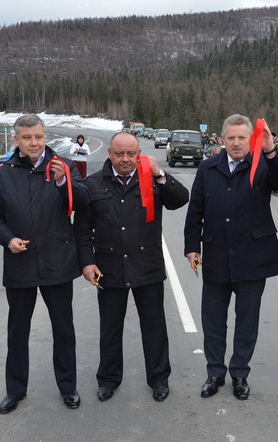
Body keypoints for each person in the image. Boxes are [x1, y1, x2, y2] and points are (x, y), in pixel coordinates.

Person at [0, 114, 89, 414]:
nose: (34, 143)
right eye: (27, 138)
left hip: (58, 261)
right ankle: (15, 390)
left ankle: (68, 387)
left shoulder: (64, 167)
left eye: (39, 137)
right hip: (20, 264)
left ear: (46, 137)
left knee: (63, 330)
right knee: (17, 331)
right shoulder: (4, 175)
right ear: (16, 140)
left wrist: (61, 182)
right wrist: (8, 239)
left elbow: (81, 201)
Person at [184, 114, 278, 401]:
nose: (235, 143)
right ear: (222, 140)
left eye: (241, 138)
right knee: (213, 320)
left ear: (250, 139)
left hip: (252, 257)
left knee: (247, 321)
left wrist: (270, 149)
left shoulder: (262, 165)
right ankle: (215, 373)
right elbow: (196, 208)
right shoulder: (208, 168)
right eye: (230, 138)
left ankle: (240, 374)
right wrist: (191, 246)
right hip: (217, 254)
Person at [74, 132, 188, 403]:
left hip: (147, 266)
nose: (125, 159)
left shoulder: (151, 179)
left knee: (154, 327)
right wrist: (87, 262)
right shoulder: (93, 184)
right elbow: (82, 229)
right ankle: (109, 379)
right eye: (119, 154)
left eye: (131, 154)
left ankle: (159, 379)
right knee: (110, 329)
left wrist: (160, 175)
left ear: (139, 154)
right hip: (108, 267)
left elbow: (180, 199)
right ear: (110, 154)